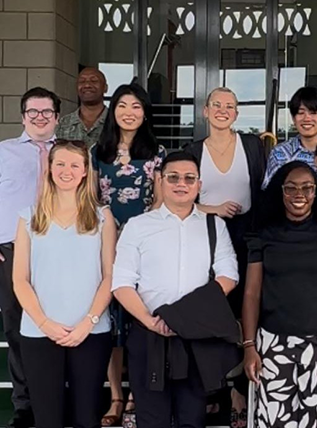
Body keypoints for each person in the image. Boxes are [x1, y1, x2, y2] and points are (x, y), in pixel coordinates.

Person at [112, 151, 240, 428]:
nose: (181, 183)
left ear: (199, 184)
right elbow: (121, 282)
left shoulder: (214, 226)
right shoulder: (138, 226)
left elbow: (228, 276)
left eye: (189, 178)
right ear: (160, 180)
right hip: (148, 335)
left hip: (196, 339)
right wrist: (152, 322)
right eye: (173, 177)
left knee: (192, 419)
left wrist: (181, 316)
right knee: (151, 419)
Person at [243, 161, 317, 428]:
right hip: (273, 345)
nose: (300, 195)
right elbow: (251, 294)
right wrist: (249, 346)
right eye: (291, 188)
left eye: (308, 188)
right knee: (274, 421)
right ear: (280, 191)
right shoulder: (263, 234)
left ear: (316, 192)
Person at [0, 87, 61, 428]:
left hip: (60, 251)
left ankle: (55, 397)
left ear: (56, 117)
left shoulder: (68, 153)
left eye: (46, 112)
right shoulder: (2, 152)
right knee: (17, 329)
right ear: (23, 117)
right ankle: (25, 404)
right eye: (33, 112)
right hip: (12, 251)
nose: (40, 118)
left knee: (57, 323)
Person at [11, 140, 116, 428]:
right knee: (48, 419)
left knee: (87, 417)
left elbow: (110, 276)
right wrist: (44, 323)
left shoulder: (102, 217)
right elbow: (20, 279)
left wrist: (88, 322)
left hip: (91, 331)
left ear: (85, 171)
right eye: (60, 164)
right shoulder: (29, 217)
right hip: (39, 332)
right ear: (49, 169)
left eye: (74, 165)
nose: (66, 171)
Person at [183, 87, 266, 427]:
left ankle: (240, 393)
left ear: (236, 113)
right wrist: (212, 208)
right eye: (216, 105)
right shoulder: (191, 151)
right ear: (205, 111)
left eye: (229, 106)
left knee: (247, 313)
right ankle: (212, 392)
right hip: (205, 236)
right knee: (211, 314)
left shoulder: (253, 146)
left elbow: (264, 191)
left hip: (248, 237)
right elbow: (179, 199)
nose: (222, 110)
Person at [91, 82, 166, 426]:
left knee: (138, 319)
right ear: (113, 109)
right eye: (123, 105)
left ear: (145, 112)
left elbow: (160, 202)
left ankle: (137, 391)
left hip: (143, 245)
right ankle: (115, 396)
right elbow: (91, 200)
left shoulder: (157, 153)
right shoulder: (98, 152)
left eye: (136, 106)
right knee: (111, 322)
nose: (129, 112)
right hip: (105, 243)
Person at [57, 67, 108, 147]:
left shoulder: (116, 122)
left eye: (94, 81)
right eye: (82, 81)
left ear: (105, 88)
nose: (87, 85)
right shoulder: (62, 124)